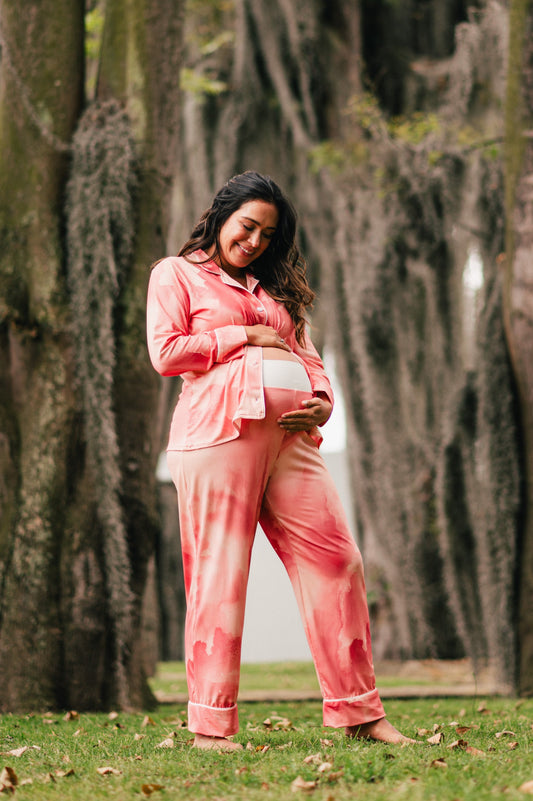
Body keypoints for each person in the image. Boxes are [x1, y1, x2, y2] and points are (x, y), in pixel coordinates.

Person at [146, 171, 414, 750]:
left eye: (268, 234)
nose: (256, 242)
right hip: (219, 435)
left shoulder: (274, 292)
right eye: (247, 227)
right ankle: (210, 726)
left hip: (293, 441)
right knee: (221, 576)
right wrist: (244, 336)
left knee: (338, 560)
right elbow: (167, 352)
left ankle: (360, 713)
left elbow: (308, 356)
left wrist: (321, 402)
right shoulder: (177, 274)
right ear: (220, 217)